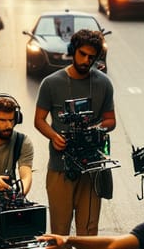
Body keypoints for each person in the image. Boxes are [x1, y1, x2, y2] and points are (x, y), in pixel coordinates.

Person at [34, 28, 116, 236]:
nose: (86, 60)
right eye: (82, 54)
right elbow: (39, 120)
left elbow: (111, 120)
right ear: (73, 51)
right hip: (61, 167)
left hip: (91, 169)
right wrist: (54, 137)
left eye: (92, 57)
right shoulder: (51, 83)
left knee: (89, 231)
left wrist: (95, 130)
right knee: (59, 231)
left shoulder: (104, 83)